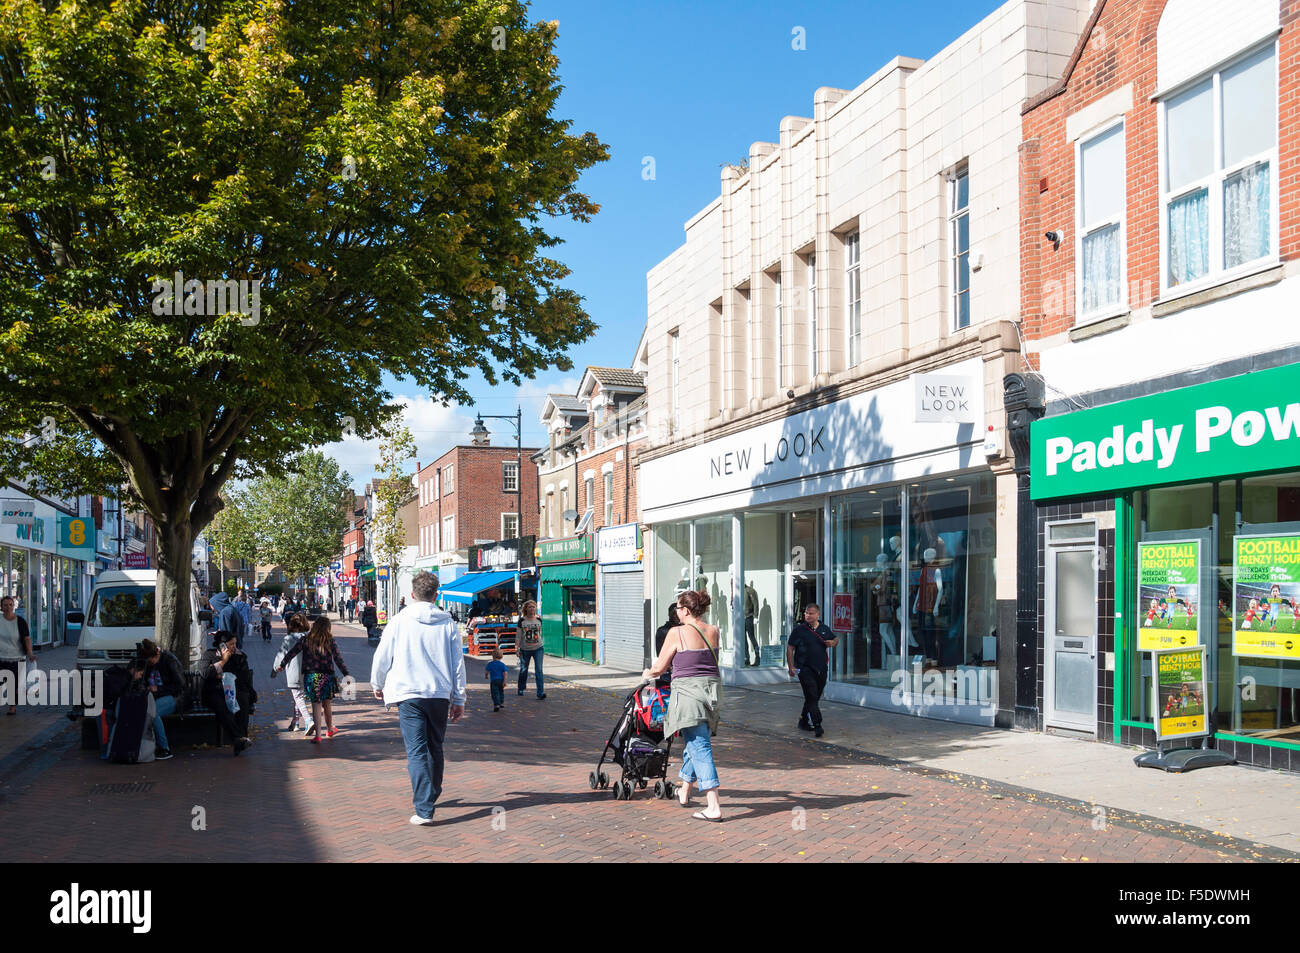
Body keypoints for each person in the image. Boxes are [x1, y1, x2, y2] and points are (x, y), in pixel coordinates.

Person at [370, 571, 466, 826]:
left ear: (412, 595)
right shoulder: (447, 623)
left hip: (409, 693)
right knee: (435, 746)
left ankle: (424, 808)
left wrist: (377, 683)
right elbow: (458, 664)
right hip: (438, 693)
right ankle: (431, 793)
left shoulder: (399, 621)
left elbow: (382, 656)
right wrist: (459, 698)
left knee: (416, 751)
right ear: (436, 595)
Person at [644, 589, 723, 821]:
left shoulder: (676, 632)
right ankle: (685, 792)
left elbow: (659, 667)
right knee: (696, 740)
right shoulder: (714, 630)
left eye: (678, 608)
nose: (676, 612)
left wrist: (646, 673)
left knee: (700, 747)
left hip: (689, 694)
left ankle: (713, 805)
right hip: (712, 693)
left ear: (686, 610)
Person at [272, 616, 349, 743]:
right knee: (327, 704)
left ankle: (318, 735)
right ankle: (329, 729)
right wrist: (346, 673)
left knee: (316, 704)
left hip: (311, 676)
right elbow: (338, 659)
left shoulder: (306, 640)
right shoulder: (330, 641)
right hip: (327, 675)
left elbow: (292, 652)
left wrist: (282, 664)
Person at [786, 603, 837, 738]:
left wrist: (833, 643)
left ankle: (803, 720)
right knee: (812, 695)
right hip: (804, 668)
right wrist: (791, 666)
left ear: (818, 615)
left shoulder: (824, 629)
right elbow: (790, 648)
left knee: (813, 697)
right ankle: (817, 725)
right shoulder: (799, 630)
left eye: (811, 613)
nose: (807, 615)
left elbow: (835, 638)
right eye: (806, 613)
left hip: (821, 668)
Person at [200, 631, 255, 755]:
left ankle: (241, 738)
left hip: (235, 690)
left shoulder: (239, 656)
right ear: (222, 645)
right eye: (231, 644)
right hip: (214, 691)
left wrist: (223, 675)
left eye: (235, 643)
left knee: (243, 700)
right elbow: (205, 674)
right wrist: (223, 661)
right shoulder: (209, 655)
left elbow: (243, 676)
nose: (234, 647)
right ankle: (239, 738)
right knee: (221, 704)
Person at [136, 638, 185, 760]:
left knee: (153, 712)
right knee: (148, 710)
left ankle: (165, 748)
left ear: (157, 655)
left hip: (174, 697)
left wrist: (158, 689)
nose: (151, 662)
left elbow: (180, 685)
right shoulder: (148, 664)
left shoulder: (169, 661)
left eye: (152, 660)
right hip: (154, 697)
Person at [276, 613, 315, 735]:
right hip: (309, 671)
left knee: (298, 696)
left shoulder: (289, 638)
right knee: (299, 697)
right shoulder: (310, 637)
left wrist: (276, 668)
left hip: (294, 671)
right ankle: (295, 722)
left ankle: (308, 720)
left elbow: (280, 655)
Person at [0, 595, 35, 715]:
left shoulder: (20, 621)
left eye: (10, 605)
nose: (8, 607)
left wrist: (30, 653)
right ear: (1, 607)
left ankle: (12, 707)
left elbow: (27, 639)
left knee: (12, 685)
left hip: (17, 658)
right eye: (5, 605)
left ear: (13, 606)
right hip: (1, 658)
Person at [515, 600, 545, 699]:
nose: (532, 609)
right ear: (526, 609)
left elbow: (539, 632)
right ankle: (521, 687)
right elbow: (518, 636)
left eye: (533, 607)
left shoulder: (539, 620)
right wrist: (517, 648)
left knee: (539, 670)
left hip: (538, 648)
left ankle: (540, 692)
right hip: (525, 649)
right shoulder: (522, 621)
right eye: (530, 607)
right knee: (524, 669)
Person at [651, 603, 679, 687]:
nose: (676, 617)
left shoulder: (683, 629)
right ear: (669, 615)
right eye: (673, 614)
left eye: (677, 614)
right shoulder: (663, 630)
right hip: (668, 671)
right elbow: (660, 653)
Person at [743, 581, 760, 666]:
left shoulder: (750, 590)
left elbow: (755, 603)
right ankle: (746, 658)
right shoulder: (738, 591)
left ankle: (757, 657)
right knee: (743, 640)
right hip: (741, 618)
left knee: (752, 638)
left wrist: (756, 616)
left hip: (748, 617)